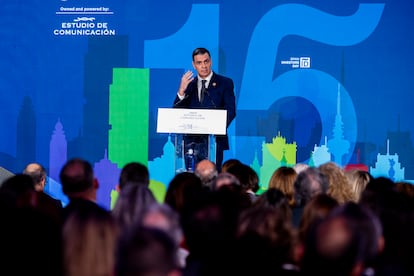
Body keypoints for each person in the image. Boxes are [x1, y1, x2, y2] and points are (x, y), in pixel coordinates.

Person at [173, 47, 236, 171]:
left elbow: (231, 111)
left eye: (206, 61)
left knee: (212, 179)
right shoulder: (189, 85)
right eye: (199, 63)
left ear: (211, 61)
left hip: (214, 142)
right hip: (190, 143)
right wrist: (181, 91)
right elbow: (176, 113)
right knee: (192, 180)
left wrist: (215, 127)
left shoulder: (225, 83)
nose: (204, 66)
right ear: (194, 65)